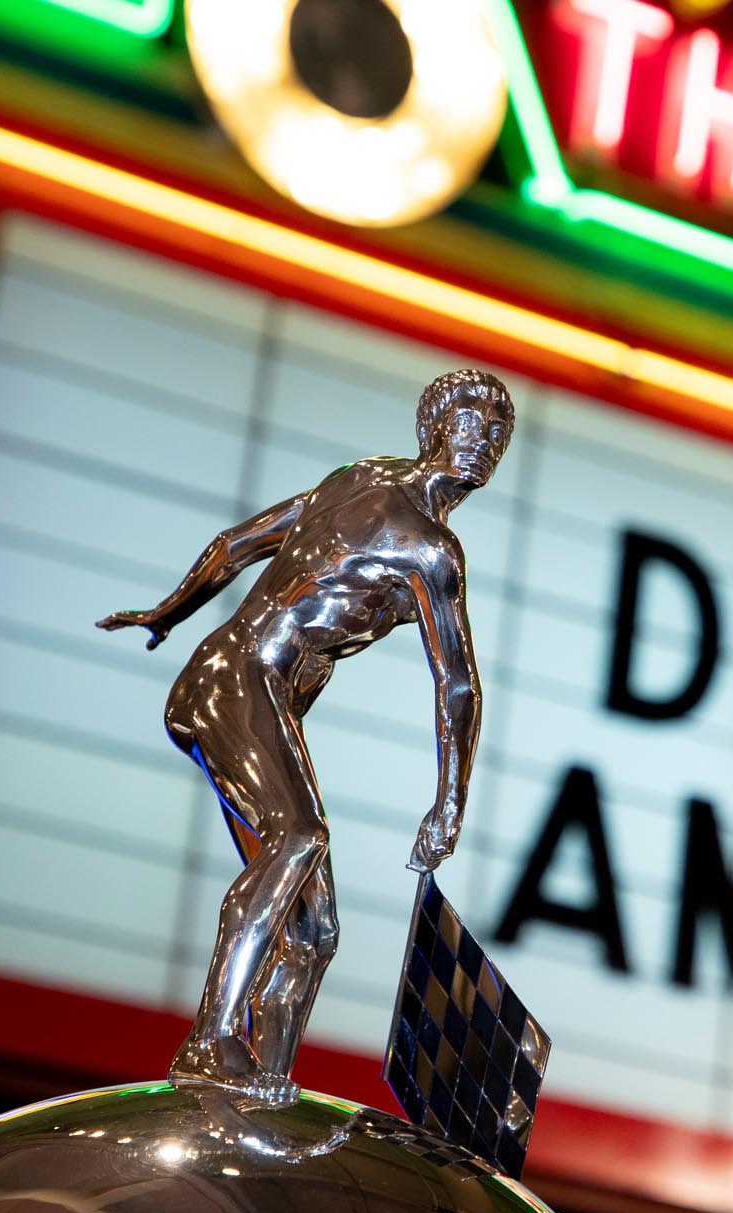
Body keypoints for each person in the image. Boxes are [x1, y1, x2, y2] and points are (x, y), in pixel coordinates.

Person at [97, 368, 513, 1104]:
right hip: (238, 680)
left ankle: (263, 1084)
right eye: (472, 427)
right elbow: (455, 682)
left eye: (497, 437)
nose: (484, 447)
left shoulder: (356, 479)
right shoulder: (427, 549)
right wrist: (450, 801)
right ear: (437, 429)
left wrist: (168, 614)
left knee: (315, 931)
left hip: (246, 688)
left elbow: (234, 544)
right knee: (298, 837)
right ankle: (212, 1039)